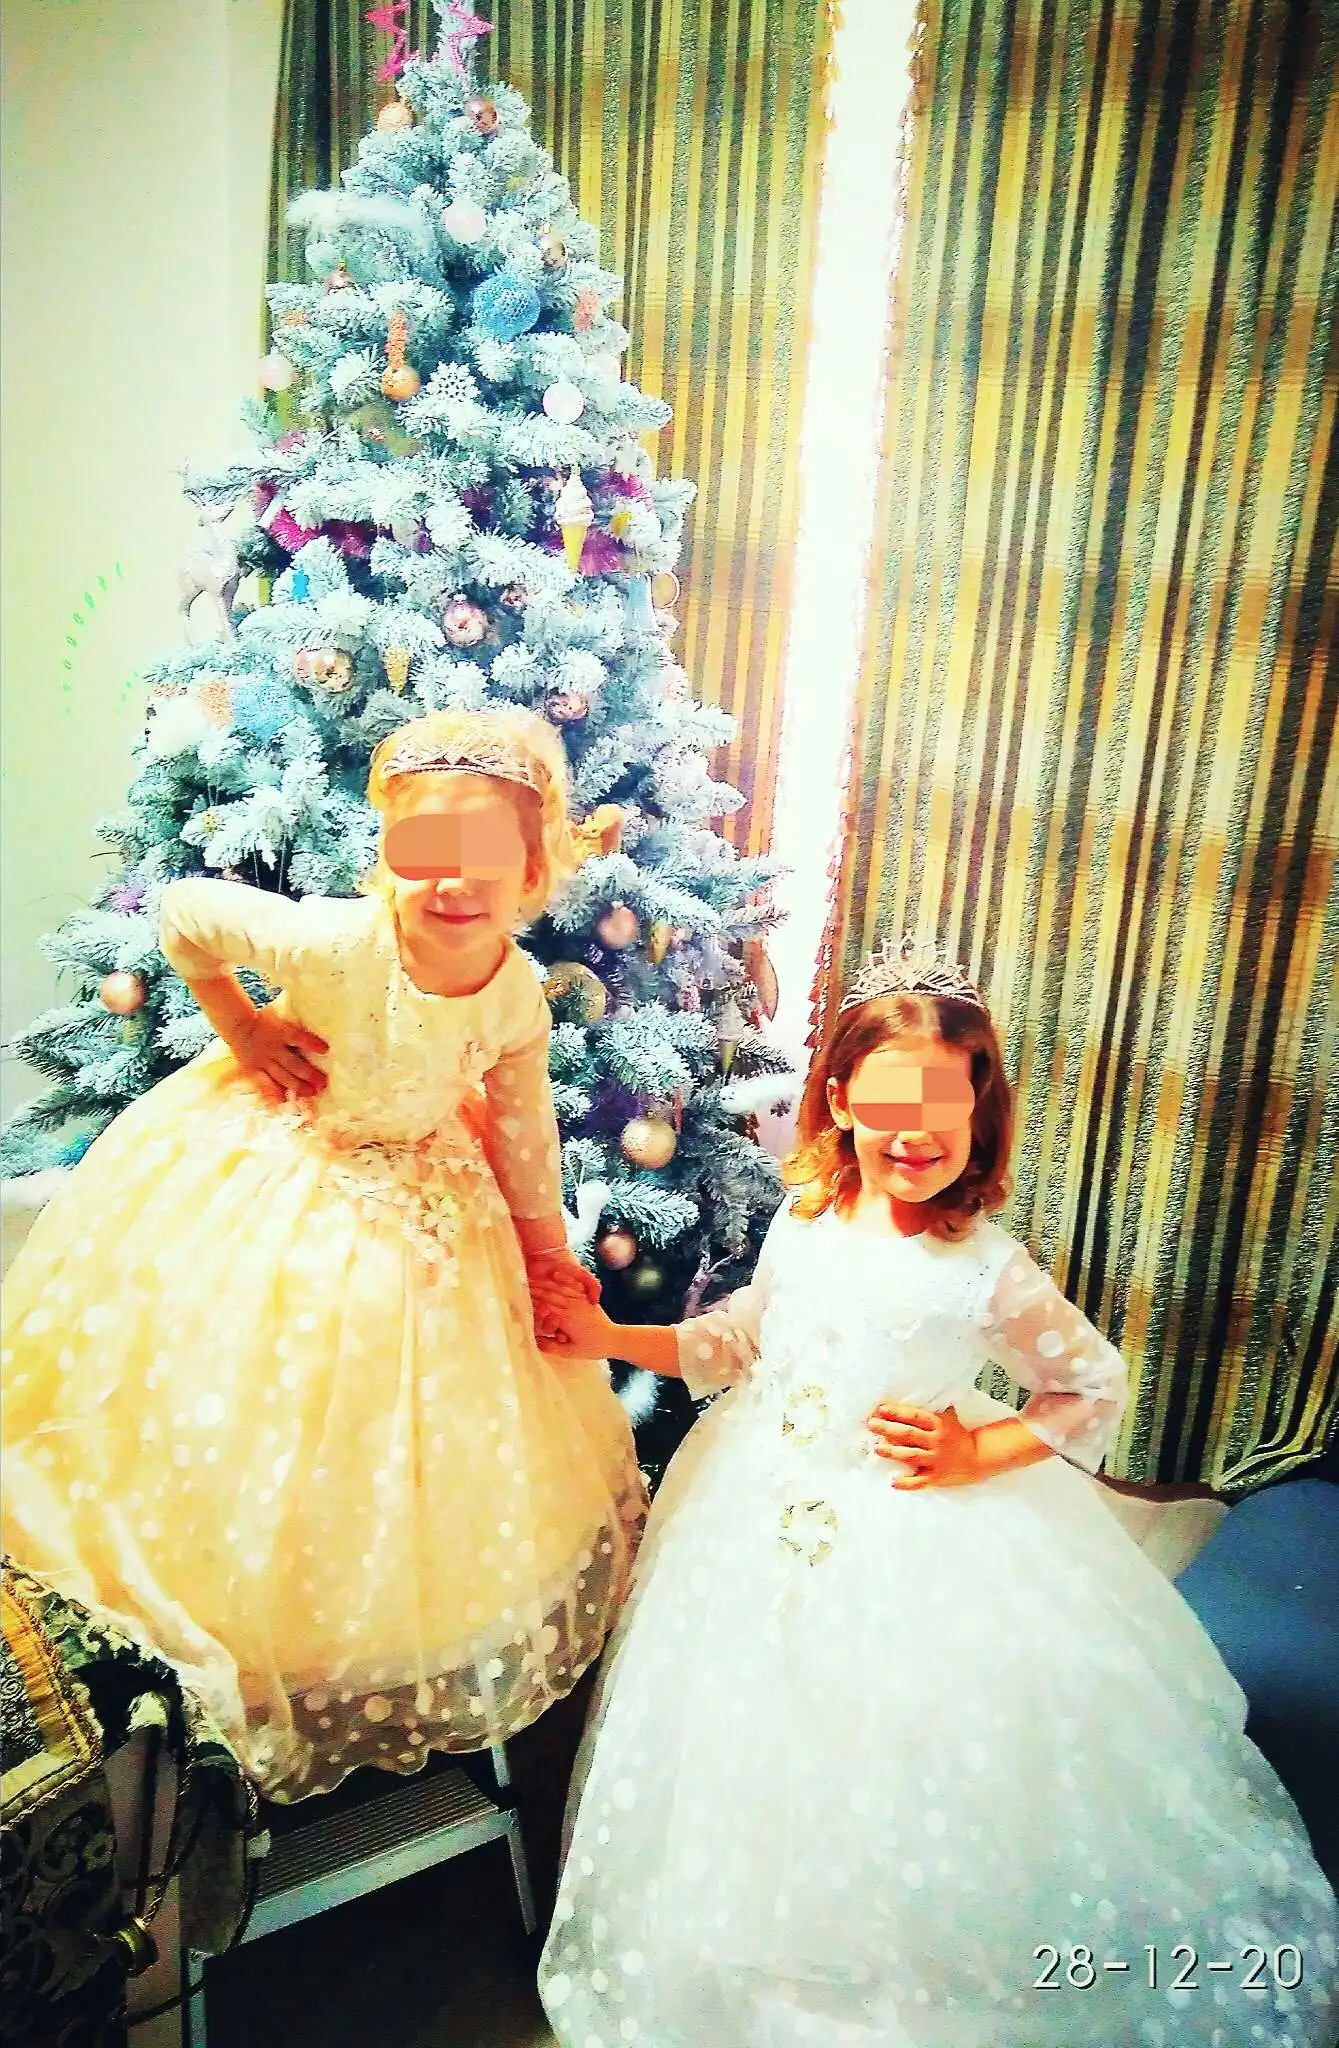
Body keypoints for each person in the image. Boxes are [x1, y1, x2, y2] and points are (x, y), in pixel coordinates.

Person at [533, 938, 1339, 2045]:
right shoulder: (803, 1218)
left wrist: (980, 1448)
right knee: (749, 1729)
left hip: (908, 1524)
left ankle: (902, 1972)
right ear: (838, 1102)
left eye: (938, 1111)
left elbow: (1090, 1382)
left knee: (897, 1739)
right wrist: (611, 1337)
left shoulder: (984, 1266)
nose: (910, 1137)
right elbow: (738, 1340)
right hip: (755, 1505)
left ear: (977, 1111)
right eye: (884, 1108)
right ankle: (756, 1947)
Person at [1, 706, 645, 1801]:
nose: (452, 882)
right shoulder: (335, 940)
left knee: (414, 1410)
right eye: (425, 850)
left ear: (534, 868)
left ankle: (344, 1636)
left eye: (484, 856)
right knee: (251, 1375)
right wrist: (242, 1025)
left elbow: (524, 1133)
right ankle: (216, 1646)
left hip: (428, 1194)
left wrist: (544, 1251)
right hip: (280, 1160)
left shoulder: (514, 994)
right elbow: (185, 914)